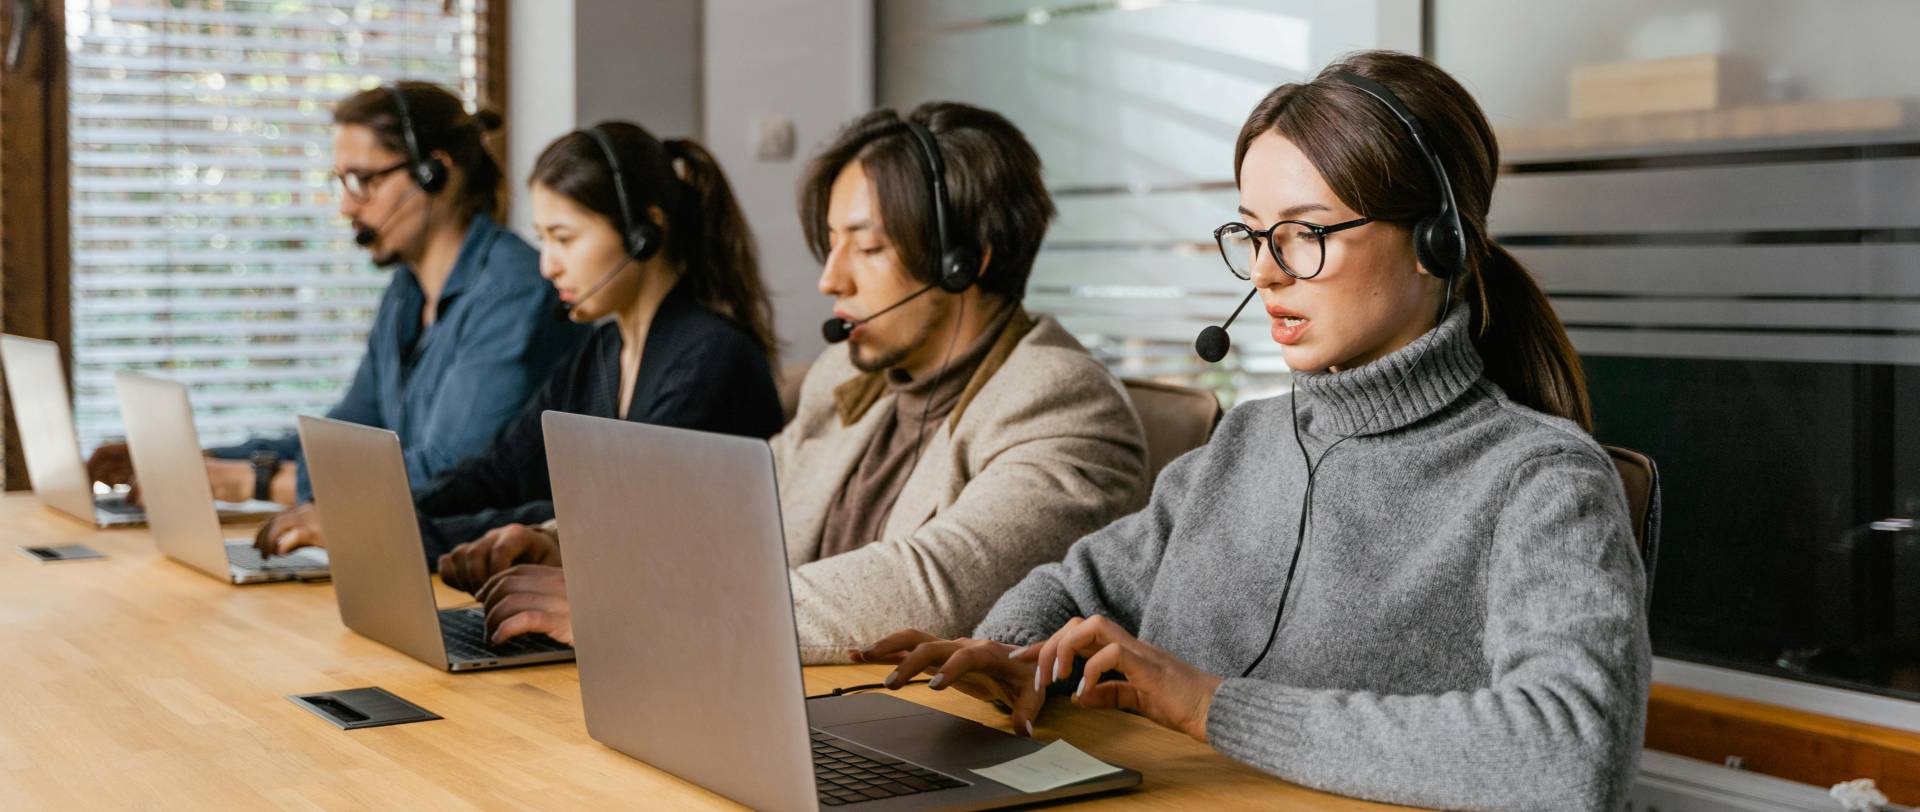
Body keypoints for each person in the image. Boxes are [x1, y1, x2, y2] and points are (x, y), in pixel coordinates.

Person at [856, 52, 1650, 811]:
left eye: (1305, 233)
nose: (1267, 271)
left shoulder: (1541, 479)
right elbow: (1072, 587)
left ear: (1434, 242)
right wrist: (1020, 656)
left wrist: (1211, 706)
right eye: (1253, 234)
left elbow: (1573, 750)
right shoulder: (1246, 443)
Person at [454, 103, 1151, 662]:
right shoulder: (854, 377)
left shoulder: (1059, 401)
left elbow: (936, 587)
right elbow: (731, 506)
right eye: (832, 243)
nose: (830, 279)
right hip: (796, 704)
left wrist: (638, 609)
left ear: (963, 261)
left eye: (867, 247)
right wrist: (566, 540)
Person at [256, 122, 785, 559]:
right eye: (543, 239)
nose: (547, 264)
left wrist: (402, 534)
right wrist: (375, 513)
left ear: (645, 233)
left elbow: (610, 521)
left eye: (565, 238)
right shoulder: (601, 354)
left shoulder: (710, 360)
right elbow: (500, 471)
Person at [85, 82, 587, 538]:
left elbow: (444, 470)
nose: (347, 206)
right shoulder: (405, 293)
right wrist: (201, 458)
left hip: (468, 561)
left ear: (436, 174)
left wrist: (249, 482)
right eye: (342, 182)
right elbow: (348, 436)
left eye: (363, 180)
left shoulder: (515, 290)